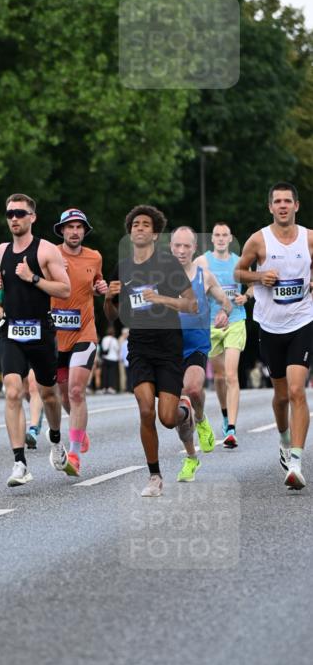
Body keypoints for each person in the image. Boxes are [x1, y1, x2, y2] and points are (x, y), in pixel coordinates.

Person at [104, 205, 198, 496]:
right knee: (146, 410)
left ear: (155, 234)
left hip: (168, 346)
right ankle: (154, 476)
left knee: (167, 419)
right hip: (140, 346)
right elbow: (111, 316)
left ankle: (185, 413)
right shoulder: (122, 267)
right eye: (135, 225)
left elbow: (192, 304)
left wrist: (161, 299)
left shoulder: (167, 264)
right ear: (130, 232)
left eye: (146, 224)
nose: (140, 228)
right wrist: (108, 298)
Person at [0, 193, 75, 486]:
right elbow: (5, 290)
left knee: (49, 394)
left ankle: (56, 442)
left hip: (41, 332)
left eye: (20, 213)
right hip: (11, 331)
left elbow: (65, 290)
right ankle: (19, 463)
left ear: (32, 217)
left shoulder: (46, 251)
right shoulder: (2, 250)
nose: (14, 218)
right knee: (13, 392)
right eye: (10, 214)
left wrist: (33, 278)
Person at [235, 182, 313, 490]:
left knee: (296, 391)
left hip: (303, 322)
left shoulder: (309, 238)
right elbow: (239, 272)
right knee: (281, 397)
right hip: (270, 327)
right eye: (277, 201)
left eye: (287, 201)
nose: (282, 206)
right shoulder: (259, 240)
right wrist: (259, 276)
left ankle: (295, 461)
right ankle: (283, 440)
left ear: (296, 206)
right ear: (270, 207)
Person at [170, 226, 233, 481]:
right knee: (176, 411)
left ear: (194, 248)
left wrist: (223, 312)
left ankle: (201, 418)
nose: (182, 250)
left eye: (187, 246)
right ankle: (191, 457)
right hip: (169, 350)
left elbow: (225, 301)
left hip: (196, 345)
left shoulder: (203, 275)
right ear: (171, 248)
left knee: (193, 390)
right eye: (177, 245)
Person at [50, 207, 107, 475]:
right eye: (70, 227)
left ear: (85, 231)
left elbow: (96, 283)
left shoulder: (95, 256)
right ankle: (79, 429)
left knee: (76, 391)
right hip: (55, 336)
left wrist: (100, 288)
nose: (74, 232)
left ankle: (73, 454)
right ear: (62, 230)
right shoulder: (48, 254)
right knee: (63, 394)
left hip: (85, 331)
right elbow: (31, 283)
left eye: (79, 227)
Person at [195, 222, 249, 447]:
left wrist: (246, 296)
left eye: (224, 235)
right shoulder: (202, 261)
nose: (220, 238)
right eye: (216, 235)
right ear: (212, 239)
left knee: (231, 375)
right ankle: (225, 415)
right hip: (211, 325)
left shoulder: (239, 261)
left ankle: (232, 429)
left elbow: (255, 284)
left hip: (235, 321)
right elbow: (189, 284)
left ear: (230, 238)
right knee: (219, 377)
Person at [0, 288, 43, 446]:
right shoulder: (5, 278)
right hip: (14, 341)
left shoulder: (40, 276)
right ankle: (37, 411)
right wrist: (7, 315)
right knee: (25, 389)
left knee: (33, 385)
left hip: (37, 336)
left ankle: (33, 429)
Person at [100, 326, 120, 393]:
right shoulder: (114, 340)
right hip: (113, 358)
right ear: (113, 332)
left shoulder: (104, 339)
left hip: (105, 358)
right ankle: (111, 388)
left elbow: (103, 348)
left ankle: (104, 388)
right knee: (112, 374)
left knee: (105, 373)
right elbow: (117, 349)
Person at [118, 328, 130, 393]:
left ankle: (129, 387)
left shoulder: (128, 339)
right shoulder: (121, 340)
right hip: (122, 360)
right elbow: (119, 350)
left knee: (128, 374)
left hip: (128, 360)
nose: (126, 334)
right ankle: (124, 388)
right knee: (123, 375)